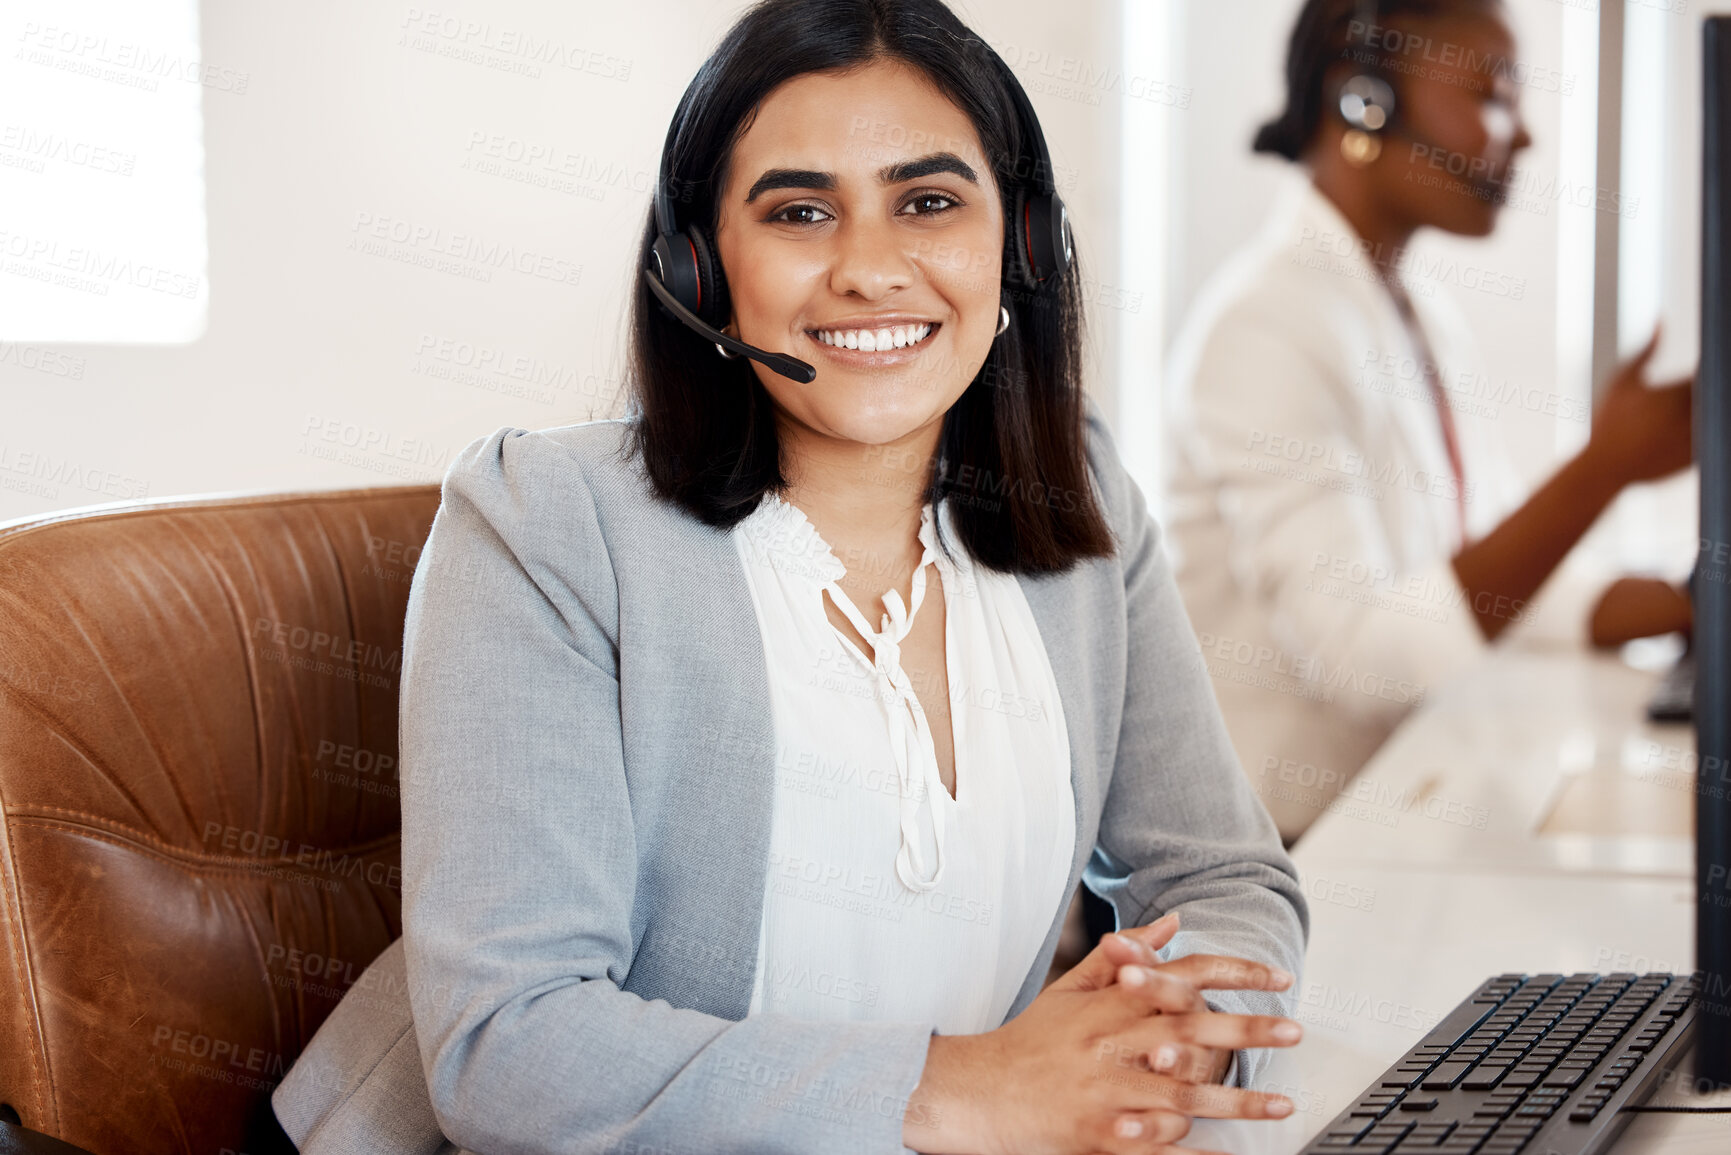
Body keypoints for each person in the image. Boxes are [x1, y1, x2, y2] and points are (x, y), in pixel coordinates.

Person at [270, 2, 1308, 1152]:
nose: (869, 270)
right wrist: (970, 1090)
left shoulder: (1083, 498)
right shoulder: (546, 525)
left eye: (928, 202)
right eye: (801, 211)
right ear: (699, 267)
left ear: (1020, 246)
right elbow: (509, 1048)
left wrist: (1168, 1046)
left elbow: (1222, 876)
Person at [1165, 0, 1694, 844]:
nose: (1520, 137)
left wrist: (1691, 604)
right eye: (1493, 94)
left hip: (1393, 821)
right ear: (1362, 102)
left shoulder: (1415, 314)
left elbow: (1491, 587)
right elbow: (1367, 658)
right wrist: (1604, 467)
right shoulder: (1264, 326)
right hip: (1279, 858)